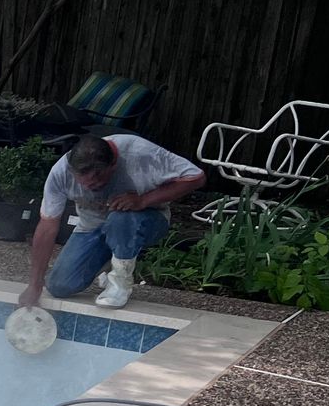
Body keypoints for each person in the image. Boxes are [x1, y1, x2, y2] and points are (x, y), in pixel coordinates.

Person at [19, 132, 204, 311]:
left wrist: (142, 201)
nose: (91, 187)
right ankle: (109, 259)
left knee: (119, 217)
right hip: (93, 228)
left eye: (99, 179)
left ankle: (120, 284)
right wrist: (34, 284)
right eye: (84, 183)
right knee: (59, 286)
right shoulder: (60, 173)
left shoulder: (140, 153)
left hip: (147, 221)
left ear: (113, 164)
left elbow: (196, 177)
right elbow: (47, 227)